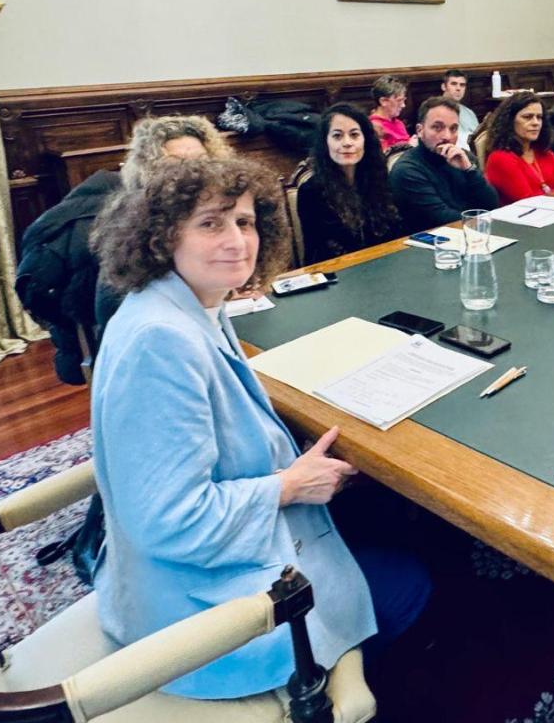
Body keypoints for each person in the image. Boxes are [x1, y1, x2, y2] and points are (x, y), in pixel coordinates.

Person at [87, 157, 429, 699]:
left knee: (379, 517)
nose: (236, 240)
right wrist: (289, 485)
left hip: (200, 565)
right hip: (196, 615)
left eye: (244, 222)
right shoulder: (162, 341)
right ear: (161, 235)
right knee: (409, 586)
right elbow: (170, 522)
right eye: (210, 223)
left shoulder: (188, 306)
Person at [16, 115, 230, 385]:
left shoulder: (209, 209)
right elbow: (121, 316)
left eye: (201, 162)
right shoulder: (129, 224)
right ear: (149, 168)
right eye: (175, 164)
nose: (192, 172)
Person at [296, 103, 403, 265]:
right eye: (337, 136)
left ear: (365, 140)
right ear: (326, 143)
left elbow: (394, 232)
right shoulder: (311, 191)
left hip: (384, 267)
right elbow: (322, 250)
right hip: (337, 274)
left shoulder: (379, 179)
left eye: (354, 135)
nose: (347, 143)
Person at [388, 96, 499, 232]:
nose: (447, 136)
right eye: (437, 127)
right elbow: (442, 219)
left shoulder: (464, 157)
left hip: (472, 233)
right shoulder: (406, 170)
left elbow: (492, 204)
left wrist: (469, 170)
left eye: (453, 129)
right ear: (420, 130)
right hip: (430, 243)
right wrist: (483, 222)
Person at [482, 92, 554, 205]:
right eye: (527, 117)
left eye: (539, 117)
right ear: (510, 121)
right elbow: (530, 203)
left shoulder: (544, 152)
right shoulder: (500, 157)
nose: (536, 123)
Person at [367, 74, 413, 152]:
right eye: (399, 100)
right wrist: (410, 145)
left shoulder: (399, 123)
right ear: (383, 101)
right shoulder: (374, 126)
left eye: (403, 100)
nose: (403, 105)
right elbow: (382, 156)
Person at [441, 69, 478, 145]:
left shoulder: (469, 112)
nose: (458, 88)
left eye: (462, 85)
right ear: (444, 87)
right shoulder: (434, 111)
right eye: (454, 84)